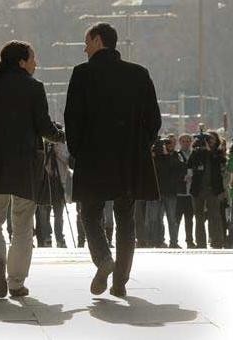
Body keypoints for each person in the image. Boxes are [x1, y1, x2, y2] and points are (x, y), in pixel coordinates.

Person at [64, 23, 161, 298]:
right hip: (129, 160)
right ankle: (120, 281)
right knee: (125, 218)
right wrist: (140, 147)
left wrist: (77, 152)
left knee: (90, 214)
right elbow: (154, 120)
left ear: (98, 40)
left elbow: (73, 118)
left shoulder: (82, 74)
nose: (84, 48)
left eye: (87, 41)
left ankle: (104, 259)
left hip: (93, 159)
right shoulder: (139, 74)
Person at [0, 40, 65, 298]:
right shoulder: (34, 87)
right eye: (33, 57)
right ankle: (16, 282)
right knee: (23, 225)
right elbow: (44, 128)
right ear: (22, 61)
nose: (36, 62)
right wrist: (61, 136)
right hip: (25, 164)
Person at [188, 131, 226, 249]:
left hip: (213, 189)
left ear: (216, 141)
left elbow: (221, 162)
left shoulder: (218, 153)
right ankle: (201, 243)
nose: (210, 141)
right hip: (198, 189)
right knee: (199, 217)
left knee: (215, 216)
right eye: (207, 139)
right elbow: (190, 164)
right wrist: (200, 148)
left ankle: (217, 242)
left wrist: (209, 150)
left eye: (212, 139)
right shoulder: (196, 152)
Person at [176, 134, 195, 248]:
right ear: (180, 142)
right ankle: (174, 240)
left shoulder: (194, 155)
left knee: (189, 219)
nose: (186, 143)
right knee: (176, 218)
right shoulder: (176, 155)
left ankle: (190, 240)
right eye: (183, 141)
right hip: (180, 192)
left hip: (191, 192)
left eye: (188, 141)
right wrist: (182, 177)